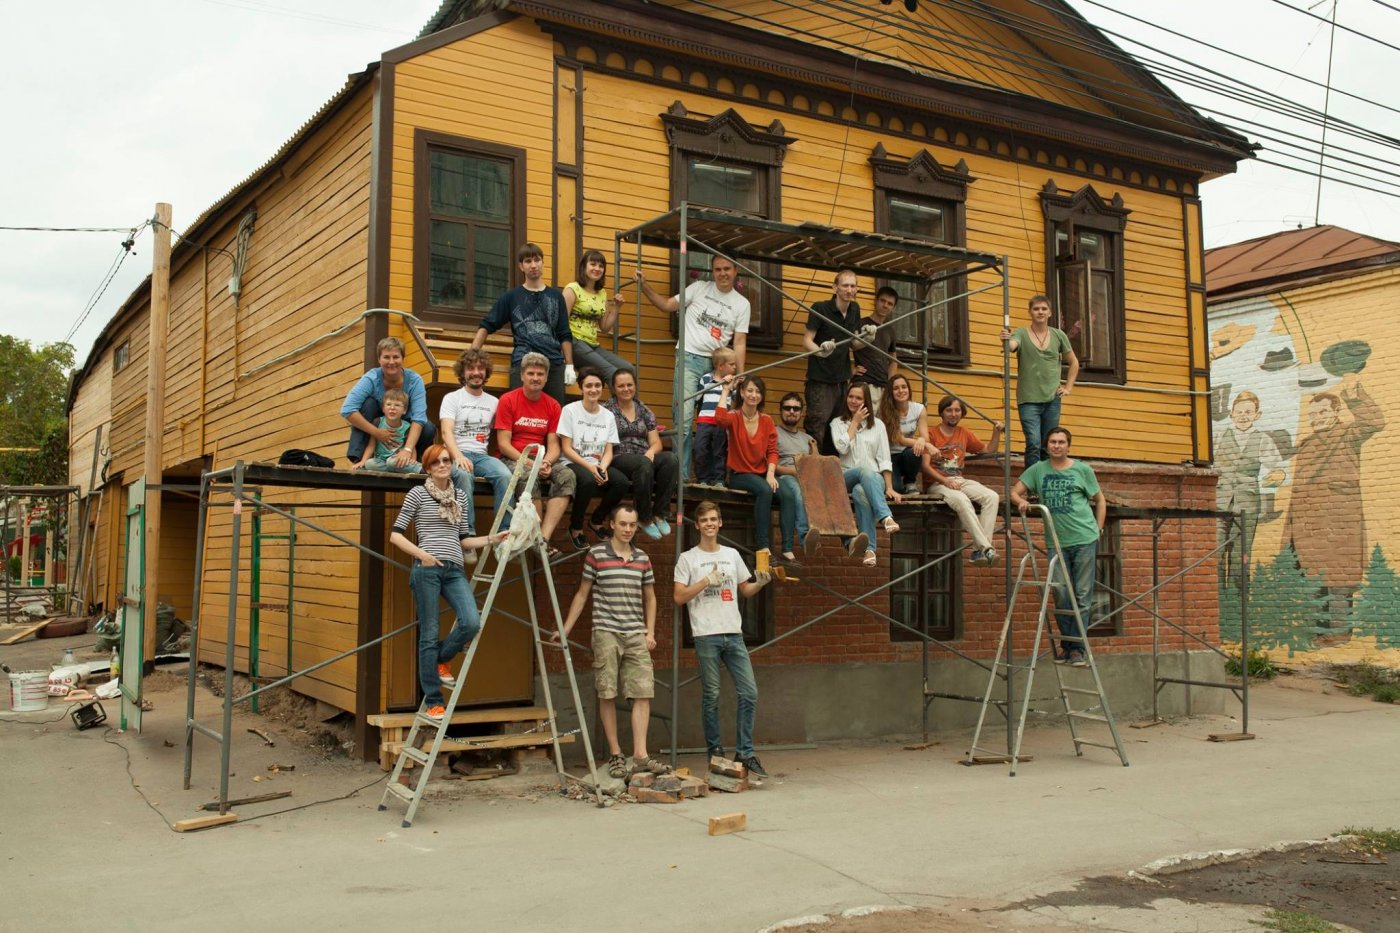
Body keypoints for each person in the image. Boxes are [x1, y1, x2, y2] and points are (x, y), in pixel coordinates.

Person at [389, 444, 507, 720]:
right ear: (428, 468)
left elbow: (464, 539)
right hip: (427, 569)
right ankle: (433, 700)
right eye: (436, 462)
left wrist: (492, 539)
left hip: (454, 568)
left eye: (446, 460)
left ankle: (441, 659)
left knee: (471, 621)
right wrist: (422, 555)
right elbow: (396, 534)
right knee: (429, 633)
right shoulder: (417, 494)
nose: (443, 465)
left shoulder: (460, 498)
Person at [554, 505, 668, 780]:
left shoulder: (642, 558)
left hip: (636, 634)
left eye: (632, 525)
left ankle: (640, 755)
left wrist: (649, 631)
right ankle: (616, 754)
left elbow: (650, 597)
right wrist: (565, 629)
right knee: (607, 692)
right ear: (612, 525)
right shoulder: (596, 555)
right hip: (606, 631)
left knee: (643, 692)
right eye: (623, 524)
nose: (628, 529)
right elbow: (582, 595)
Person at [673, 499, 772, 777]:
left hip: (734, 633)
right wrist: (706, 581)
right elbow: (678, 597)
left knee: (749, 692)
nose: (709, 524)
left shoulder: (731, 554)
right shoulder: (688, 559)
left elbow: (745, 590)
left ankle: (745, 753)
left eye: (714, 519)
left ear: (720, 523)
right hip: (706, 634)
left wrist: (761, 582)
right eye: (704, 520)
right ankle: (715, 754)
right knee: (712, 696)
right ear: (698, 525)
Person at [636, 254, 750, 472]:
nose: (722, 273)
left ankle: (710, 476)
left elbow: (740, 341)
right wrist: (644, 286)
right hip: (689, 357)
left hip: (719, 365)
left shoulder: (742, 303)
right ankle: (681, 476)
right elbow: (669, 305)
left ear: (735, 271)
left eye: (727, 268)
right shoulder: (699, 287)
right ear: (712, 271)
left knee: (715, 423)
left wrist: (739, 376)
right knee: (685, 420)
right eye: (718, 269)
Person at [1282, 378, 1384, 612]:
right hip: (1308, 527)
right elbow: (1297, 493)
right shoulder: (1306, 445)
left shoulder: (1348, 434)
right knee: (1313, 581)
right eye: (1313, 414)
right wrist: (1289, 531)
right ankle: (1320, 633)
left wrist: (1354, 397)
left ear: (1337, 411)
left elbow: (1374, 422)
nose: (1317, 418)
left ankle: (1338, 635)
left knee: (1340, 581)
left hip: (1339, 526)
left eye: (1323, 412)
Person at [1010, 427, 1105, 665]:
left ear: (1068, 445)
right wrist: (1021, 501)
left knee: (1083, 597)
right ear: (1046, 446)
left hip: (1084, 538)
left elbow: (1100, 500)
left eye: (1061, 442)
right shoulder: (1038, 470)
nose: (1057, 445)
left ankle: (1076, 649)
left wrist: (1099, 529)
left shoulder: (1082, 469)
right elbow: (1014, 492)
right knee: (1061, 594)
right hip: (1057, 542)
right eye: (1052, 442)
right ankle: (1067, 645)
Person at [472, 243, 574, 403]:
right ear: (521, 266)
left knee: (554, 415)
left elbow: (564, 333)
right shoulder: (512, 297)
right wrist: (472, 355)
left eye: (537, 260)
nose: (533, 265)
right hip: (523, 363)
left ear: (543, 262)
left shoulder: (556, 296)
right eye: (528, 261)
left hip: (553, 365)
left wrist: (569, 365)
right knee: (518, 413)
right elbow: (487, 324)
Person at [493, 352, 575, 550]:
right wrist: (532, 464)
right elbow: (504, 444)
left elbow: (554, 445)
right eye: (531, 373)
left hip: (540, 458)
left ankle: (542, 540)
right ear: (522, 375)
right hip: (512, 458)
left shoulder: (553, 405)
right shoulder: (508, 400)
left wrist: (546, 463)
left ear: (546, 377)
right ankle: (535, 534)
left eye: (540, 374)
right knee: (529, 476)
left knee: (568, 475)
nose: (535, 378)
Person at [714, 375, 798, 564]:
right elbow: (719, 419)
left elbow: (773, 451)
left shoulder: (766, 420)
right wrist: (727, 389)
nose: (753, 395)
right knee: (764, 490)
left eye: (758, 391)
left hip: (762, 472)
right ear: (742, 393)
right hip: (739, 474)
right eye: (749, 390)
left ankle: (787, 549)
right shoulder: (735, 417)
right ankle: (764, 547)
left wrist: (770, 473)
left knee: (788, 495)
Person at [999, 294, 1079, 468]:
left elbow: (1074, 362)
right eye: (1036, 309)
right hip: (1028, 400)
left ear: (1050, 312)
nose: (1040, 312)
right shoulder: (1021, 332)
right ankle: (1032, 489)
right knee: (1033, 443)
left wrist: (1068, 388)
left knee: (1048, 445)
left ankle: (1044, 485)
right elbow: (1013, 345)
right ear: (1030, 312)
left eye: (1044, 309)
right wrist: (1006, 339)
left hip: (1052, 399)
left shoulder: (1059, 336)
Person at [439, 348, 513, 532]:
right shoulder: (452, 398)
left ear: (486, 372)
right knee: (464, 476)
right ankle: (467, 534)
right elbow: (446, 432)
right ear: (462, 372)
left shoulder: (494, 402)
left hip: (481, 456)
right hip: (457, 453)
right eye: (471, 368)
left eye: (480, 368)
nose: (476, 372)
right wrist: (458, 457)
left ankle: (504, 533)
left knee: (506, 476)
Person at [927, 395, 1003, 566]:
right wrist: (945, 482)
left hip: (958, 480)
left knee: (992, 496)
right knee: (962, 500)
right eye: (949, 410)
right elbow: (925, 467)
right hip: (937, 483)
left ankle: (980, 550)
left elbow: (989, 450)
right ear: (941, 413)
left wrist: (996, 431)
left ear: (961, 413)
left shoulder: (964, 433)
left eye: (957, 410)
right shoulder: (931, 434)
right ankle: (986, 549)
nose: (953, 414)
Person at [557, 368, 629, 549]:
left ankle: (596, 521)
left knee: (621, 482)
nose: (593, 389)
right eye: (588, 385)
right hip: (573, 462)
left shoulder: (608, 415)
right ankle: (575, 528)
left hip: (598, 463)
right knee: (588, 481)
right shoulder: (570, 410)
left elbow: (608, 450)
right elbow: (566, 448)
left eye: (597, 385)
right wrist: (590, 468)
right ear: (581, 387)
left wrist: (603, 467)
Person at [829, 383, 900, 568]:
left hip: (873, 480)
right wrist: (854, 422)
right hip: (846, 477)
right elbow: (841, 447)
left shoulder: (878, 426)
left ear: (866, 401)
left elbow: (884, 459)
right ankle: (885, 517)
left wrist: (890, 487)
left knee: (861, 491)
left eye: (858, 398)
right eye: (851, 397)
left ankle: (870, 550)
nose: (853, 401)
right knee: (863, 471)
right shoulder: (837, 423)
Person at [604, 368, 678, 541]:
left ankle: (660, 514)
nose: (626, 389)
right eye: (621, 385)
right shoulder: (607, 410)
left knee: (671, 459)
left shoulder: (644, 410)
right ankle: (644, 518)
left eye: (629, 385)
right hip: (618, 456)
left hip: (643, 456)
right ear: (614, 388)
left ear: (635, 386)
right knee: (643, 464)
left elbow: (656, 442)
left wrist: (651, 451)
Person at [340, 336, 434, 466]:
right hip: (379, 421)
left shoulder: (414, 380)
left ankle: (416, 462)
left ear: (402, 359)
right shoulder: (371, 378)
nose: (391, 362)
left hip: (405, 422)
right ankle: (360, 459)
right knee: (368, 404)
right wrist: (377, 433)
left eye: (396, 357)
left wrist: (407, 449)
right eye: (386, 357)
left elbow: (419, 417)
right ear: (379, 359)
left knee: (428, 427)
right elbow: (347, 410)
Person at [1215, 390, 1285, 561]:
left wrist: (1276, 476)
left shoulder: (1263, 439)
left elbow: (1277, 467)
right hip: (1219, 502)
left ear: (1257, 415)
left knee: (1241, 555)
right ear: (1231, 414)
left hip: (1248, 504)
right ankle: (1217, 589)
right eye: (1239, 412)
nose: (1243, 416)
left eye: (1248, 412)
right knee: (1215, 552)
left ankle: (1237, 589)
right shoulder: (1219, 435)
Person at [802, 269, 863, 443]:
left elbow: (855, 344)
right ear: (835, 287)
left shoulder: (855, 309)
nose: (849, 290)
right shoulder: (820, 308)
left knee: (839, 426)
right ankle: (814, 466)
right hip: (820, 380)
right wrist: (821, 351)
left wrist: (868, 338)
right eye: (845, 285)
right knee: (817, 425)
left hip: (842, 380)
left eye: (853, 286)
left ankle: (834, 467)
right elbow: (807, 341)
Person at [563, 250, 630, 382]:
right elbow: (561, 324)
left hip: (592, 344)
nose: (597, 268)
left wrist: (616, 307)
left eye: (601, 266)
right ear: (584, 267)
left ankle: (631, 403)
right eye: (593, 264)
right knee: (612, 372)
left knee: (627, 369)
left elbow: (604, 327)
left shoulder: (602, 293)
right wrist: (568, 361)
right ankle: (618, 403)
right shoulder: (572, 289)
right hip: (574, 342)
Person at [774, 392, 819, 561]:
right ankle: (805, 537)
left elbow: (816, 466)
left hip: (807, 479)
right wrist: (794, 472)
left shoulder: (807, 438)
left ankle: (849, 539)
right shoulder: (773, 433)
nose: (792, 411)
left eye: (796, 408)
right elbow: (770, 466)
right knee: (799, 492)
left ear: (801, 413)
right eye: (788, 408)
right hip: (785, 478)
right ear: (781, 411)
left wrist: (814, 449)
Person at [878, 374, 933, 495]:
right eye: (896, 388)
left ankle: (910, 481)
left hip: (906, 455)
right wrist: (923, 443)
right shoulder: (885, 410)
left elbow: (926, 437)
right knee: (896, 488)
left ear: (909, 389)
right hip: (889, 456)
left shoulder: (919, 409)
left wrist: (922, 441)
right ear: (891, 392)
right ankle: (898, 483)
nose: (901, 391)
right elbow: (899, 439)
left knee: (915, 451)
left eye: (904, 387)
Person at [693, 347, 738, 486]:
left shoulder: (731, 383)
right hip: (704, 421)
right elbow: (697, 397)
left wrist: (732, 386)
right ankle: (702, 478)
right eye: (732, 364)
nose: (735, 367)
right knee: (700, 449)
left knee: (719, 451)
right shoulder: (706, 379)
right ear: (720, 366)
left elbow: (735, 402)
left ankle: (719, 479)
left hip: (721, 423)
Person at [352, 388, 421, 473]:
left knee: (392, 462)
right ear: (383, 409)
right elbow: (371, 445)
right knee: (369, 463)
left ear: (404, 410)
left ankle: (418, 468)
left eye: (397, 405)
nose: (392, 408)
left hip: (396, 459)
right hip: (380, 461)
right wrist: (363, 461)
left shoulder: (407, 426)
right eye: (388, 404)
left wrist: (413, 460)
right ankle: (393, 470)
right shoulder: (377, 422)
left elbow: (411, 446)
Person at [852, 285, 900, 408]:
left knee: (881, 426)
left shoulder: (890, 330)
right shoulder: (860, 323)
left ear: (893, 308)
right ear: (875, 300)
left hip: (883, 386)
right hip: (864, 383)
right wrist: (849, 370)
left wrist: (891, 383)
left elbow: (893, 360)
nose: (885, 305)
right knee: (864, 424)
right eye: (882, 301)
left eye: (890, 303)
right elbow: (845, 348)